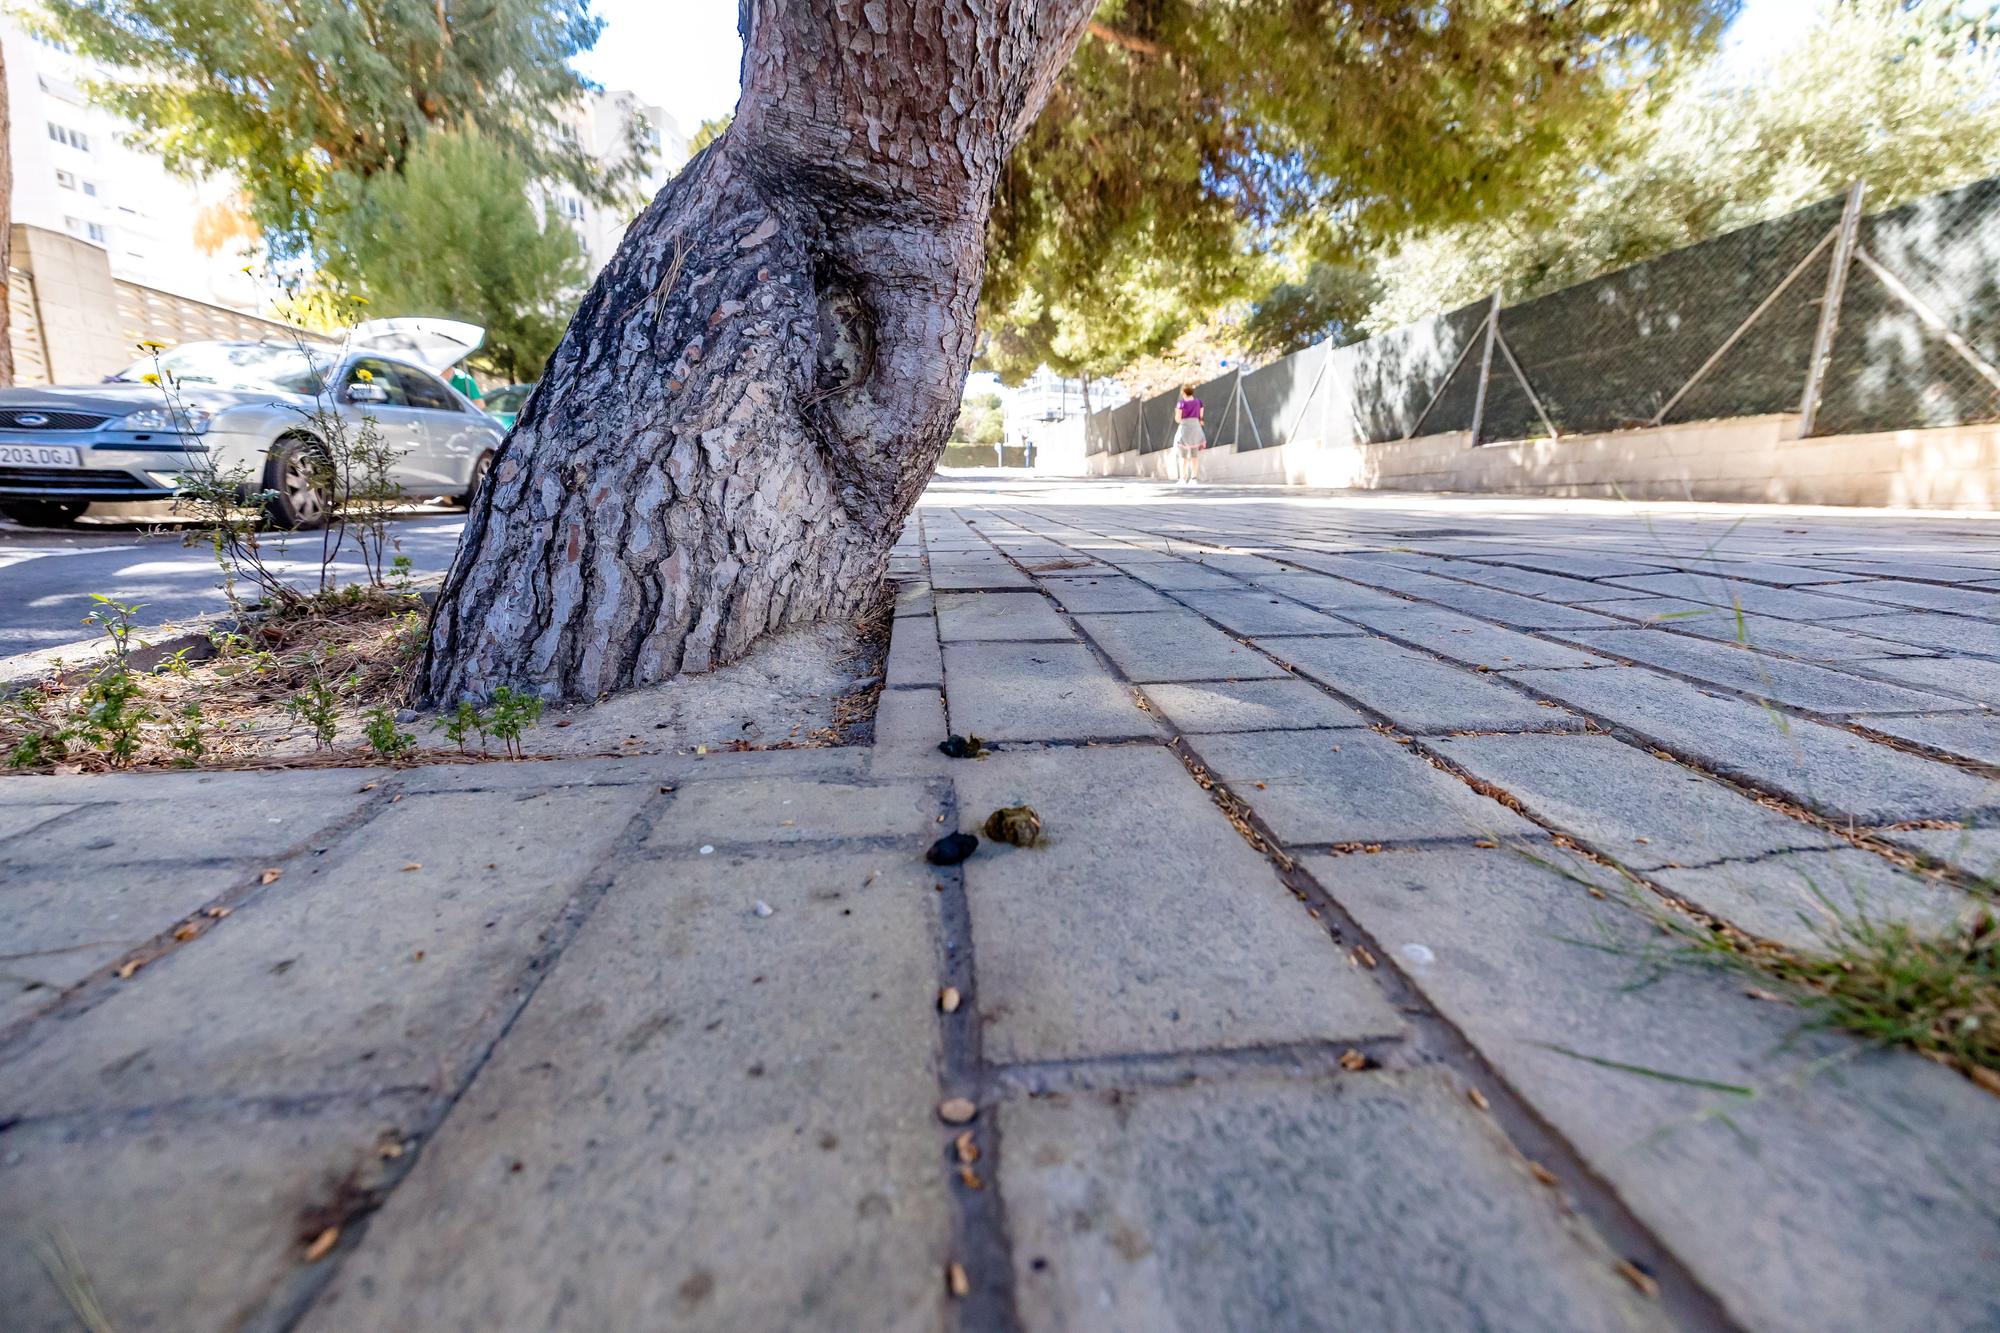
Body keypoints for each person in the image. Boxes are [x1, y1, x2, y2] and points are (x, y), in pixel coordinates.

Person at [1173, 383, 1206, 483]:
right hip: (1196, 428)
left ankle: (1183, 478)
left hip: (1185, 429)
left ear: (1183, 392)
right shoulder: (1199, 402)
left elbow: (1178, 419)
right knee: (1194, 455)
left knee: (1183, 455)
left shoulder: (1181, 404)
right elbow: (1201, 416)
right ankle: (1194, 478)